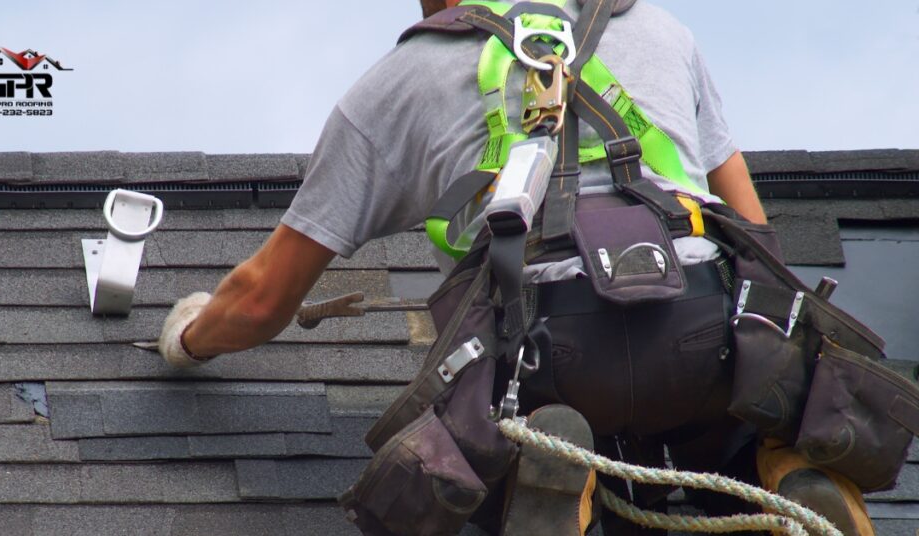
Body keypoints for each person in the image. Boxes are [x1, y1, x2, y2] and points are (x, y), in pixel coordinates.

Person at [157, 1, 874, 534]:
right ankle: (779, 474)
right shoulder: (661, 32)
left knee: (481, 447)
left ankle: (548, 481)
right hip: (703, 332)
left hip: (549, 355)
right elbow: (755, 241)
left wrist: (187, 338)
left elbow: (260, 301)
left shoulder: (398, 81)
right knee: (731, 426)